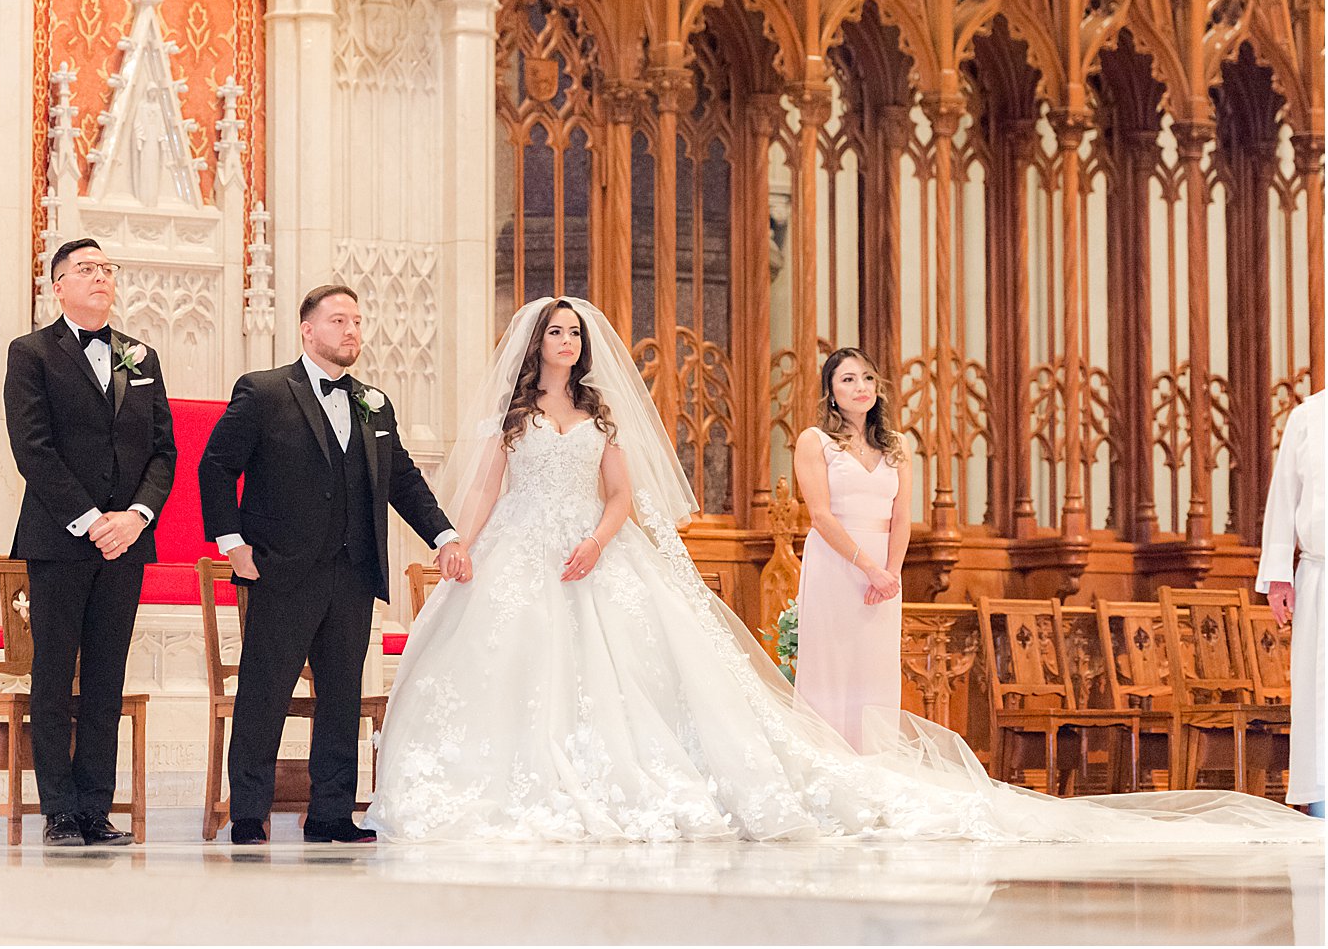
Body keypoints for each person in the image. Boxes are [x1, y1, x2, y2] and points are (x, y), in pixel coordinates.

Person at [365, 296, 1316, 844]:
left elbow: (619, 497)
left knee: (633, 685)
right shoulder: (514, 422)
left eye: (574, 335)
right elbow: (484, 496)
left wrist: (602, 540)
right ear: (534, 348)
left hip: (588, 558)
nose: (565, 345)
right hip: (518, 559)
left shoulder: (603, 423)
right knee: (513, 672)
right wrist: (455, 543)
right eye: (554, 336)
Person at [198, 285, 471, 845]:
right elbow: (216, 467)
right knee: (263, 692)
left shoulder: (374, 402)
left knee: (342, 696)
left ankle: (330, 813)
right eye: (339, 320)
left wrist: (443, 535)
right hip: (280, 569)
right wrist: (233, 544)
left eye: (357, 321)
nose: (352, 331)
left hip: (353, 571)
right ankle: (249, 813)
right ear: (307, 330)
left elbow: (403, 480)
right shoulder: (264, 391)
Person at [3, 238, 176, 847]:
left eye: (107, 269)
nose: (101, 278)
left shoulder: (141, 355)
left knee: (106, 674)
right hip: (60, 540)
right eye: (86, 270)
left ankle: (97, 808)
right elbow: (33, 448)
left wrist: (135, 516)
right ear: (58, 286)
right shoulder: (30, 353)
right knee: (54, 673)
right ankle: (59, 810)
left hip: (127, 543)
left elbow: (163, 450)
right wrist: (89, 519)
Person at [791, 348, 910, 749]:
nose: (861, 387)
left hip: (885, 575)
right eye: (848, 379)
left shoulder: (897, 445)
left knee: (874, 668)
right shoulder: (816, 441)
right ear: (831, 390)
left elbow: (902, 517)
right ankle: (827, 763)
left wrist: (890, 572)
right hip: (836, 564)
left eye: (867, 378)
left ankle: (876, 760)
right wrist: (869, 568)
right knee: (832, 667)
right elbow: (821, 516)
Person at [1256, 390, 1324, 818]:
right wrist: (1278, 571)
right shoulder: (1308, 416)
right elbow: (1283, 497)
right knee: (1322, 693)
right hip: (1321, 577)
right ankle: (1322, 797)